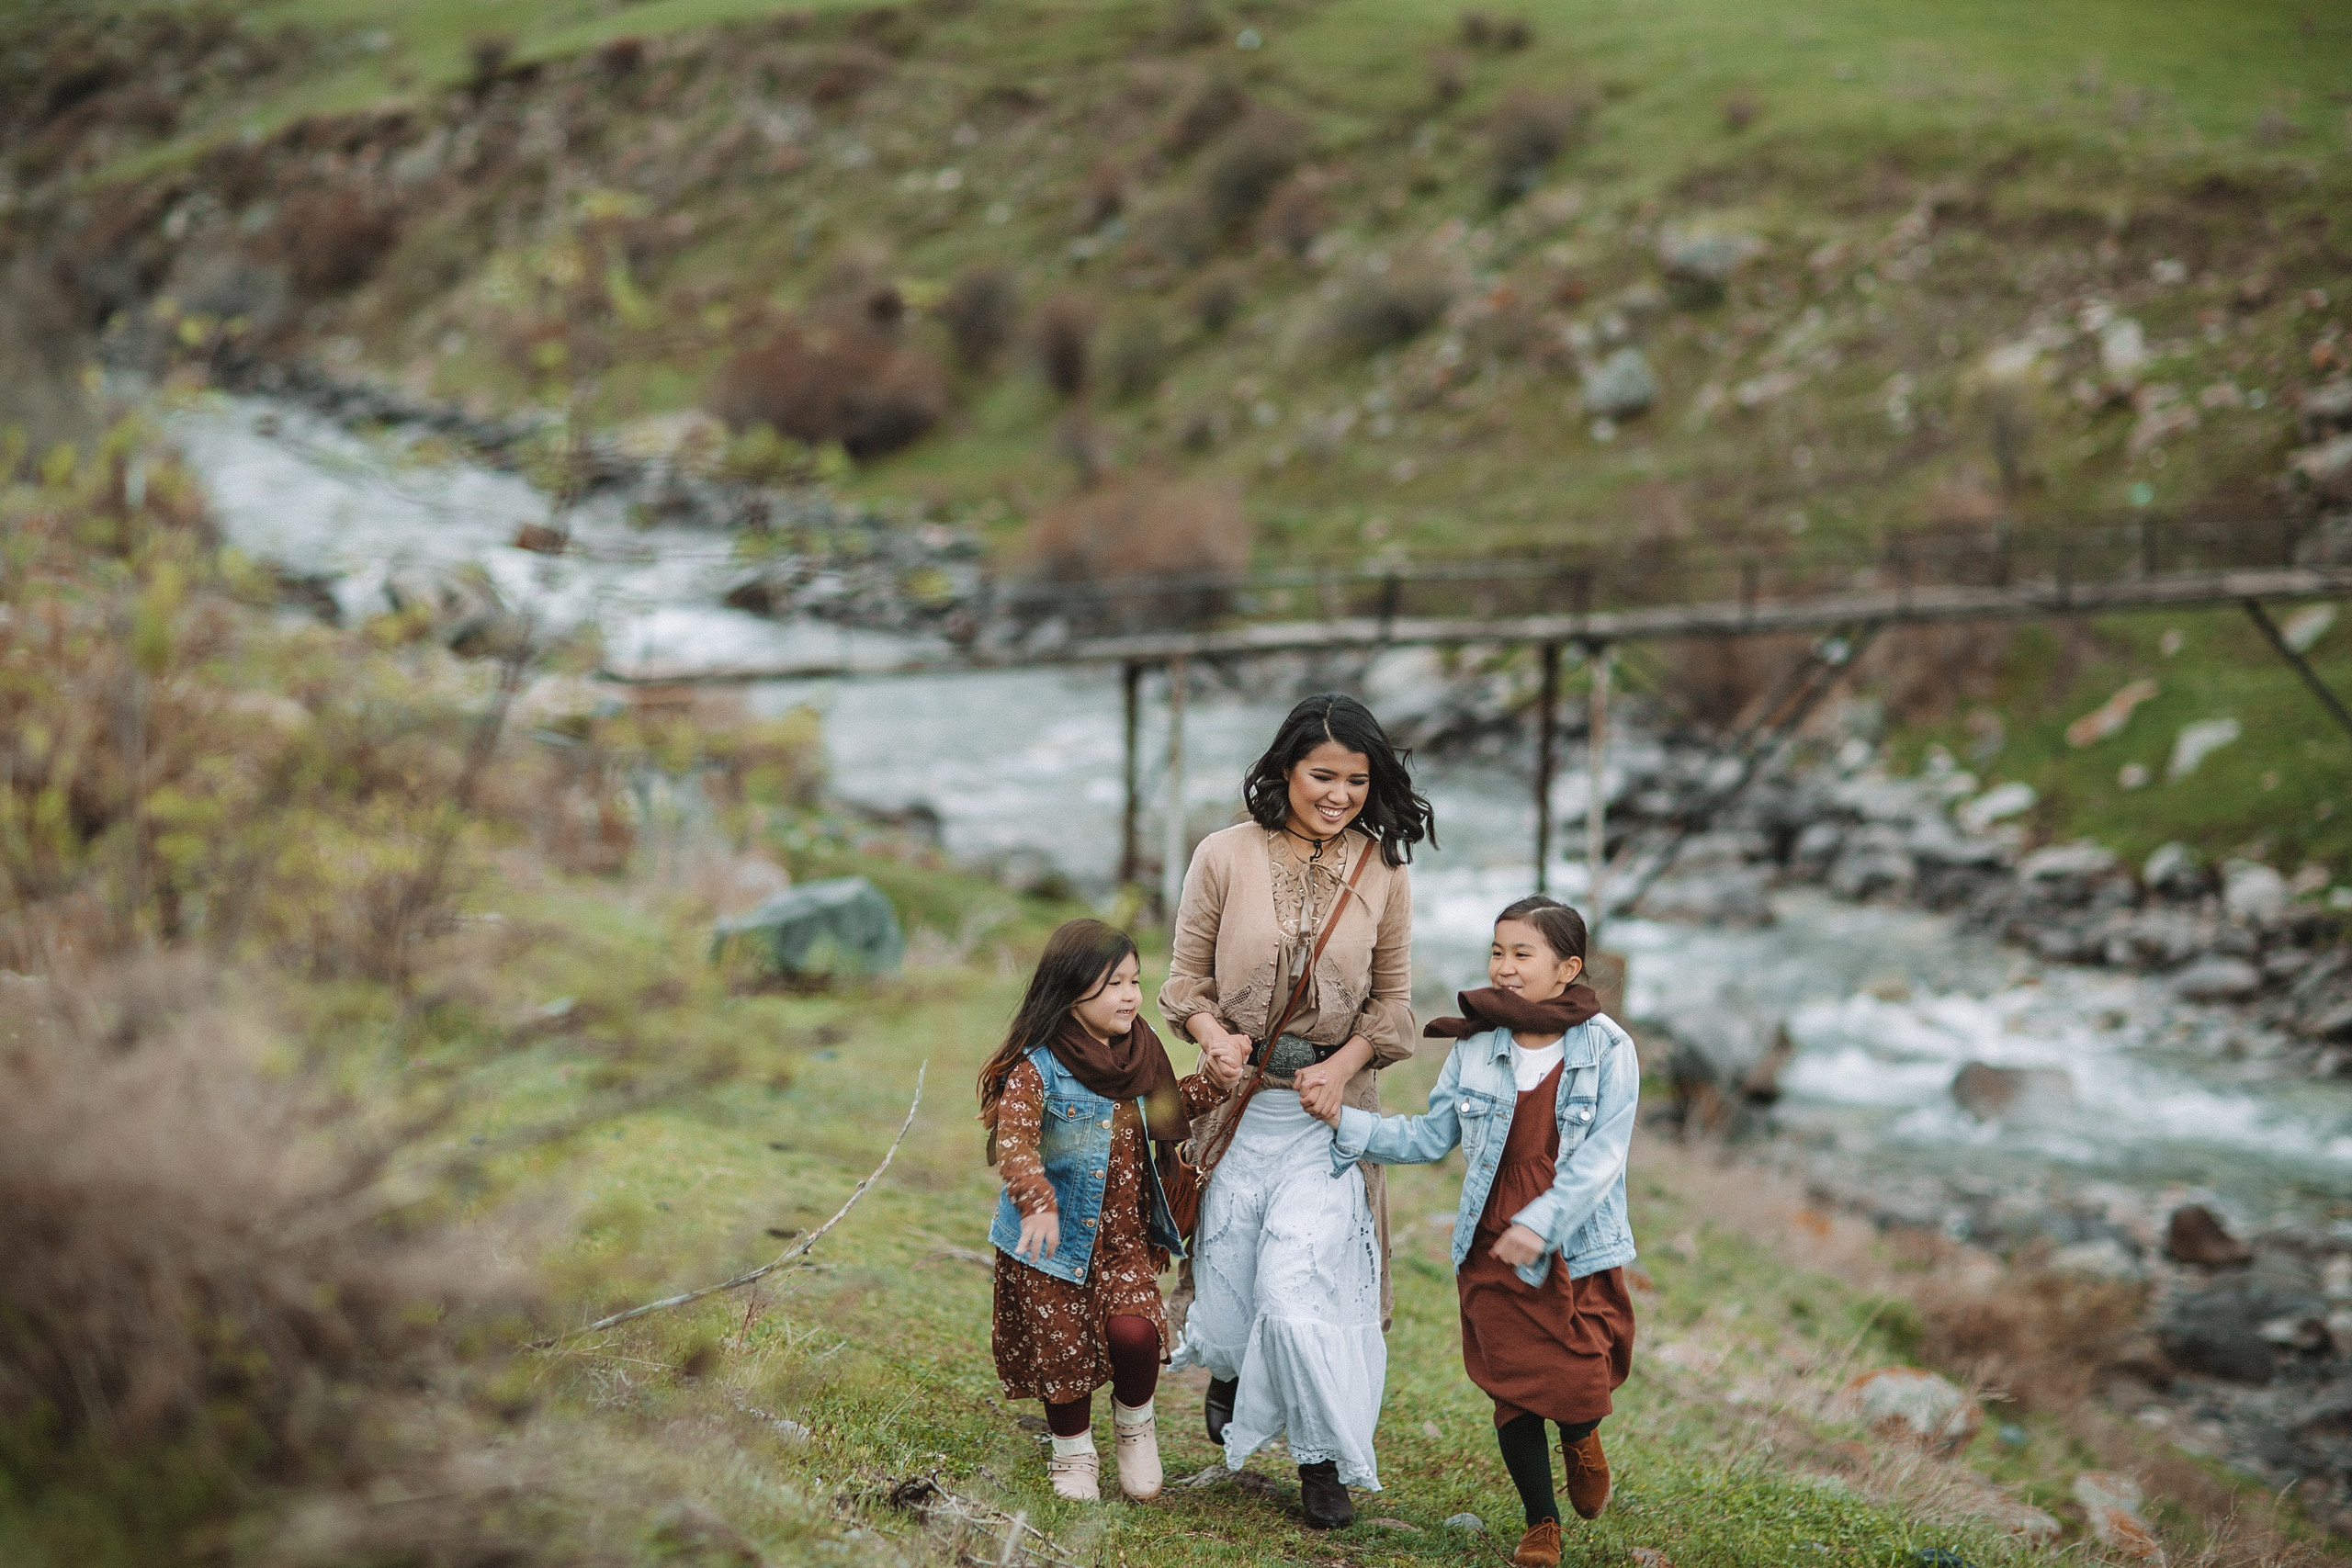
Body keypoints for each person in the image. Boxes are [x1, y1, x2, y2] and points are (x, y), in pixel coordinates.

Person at [1159, 693, 1435, 1529]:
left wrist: (1342, 1067)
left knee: (1299, 1288)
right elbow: (1184, 983)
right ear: (1285, 769)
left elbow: (1394, 1007)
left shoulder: (1385, 872)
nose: (1340, 795)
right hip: (1235, 1112)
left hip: (1329, 1122)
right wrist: (1213, 1038)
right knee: (1232, 1285)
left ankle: (1322, 1463)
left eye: (1357, 780)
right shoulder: (1222, 854)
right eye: (1323, 775)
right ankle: (1231, 1371)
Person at [1310, 897, 1638, 1568]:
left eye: (1522, 954)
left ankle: (1581, 1434)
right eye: (1497, 952)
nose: (1504, 967)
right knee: (1511, 1385)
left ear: (1567, 968)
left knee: (1580, 1371)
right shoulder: (1478, 1043)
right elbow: (1432, 1135)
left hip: (1574, 1237)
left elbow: (1603, 1158)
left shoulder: (1609, 1048)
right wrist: (1347, 1122)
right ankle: (1541, 1522)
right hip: (1491, 1237)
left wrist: (1542, 1222)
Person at [979, 919, 1234, 1503]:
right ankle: (1072, 1451)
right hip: (1051, 1247)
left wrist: (1214, 1083)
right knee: (1062, 1352)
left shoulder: (1139, 1054)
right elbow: (1015, 1143)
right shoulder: (1038, 1067)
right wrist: (1037, 1202)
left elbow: (1166, 1111)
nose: (1130, 997)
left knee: (1136, 1334)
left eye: (1134, 981)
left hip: (1122, 1237)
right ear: (1071, 992)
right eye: (1113, 984)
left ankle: (1135, 1427)